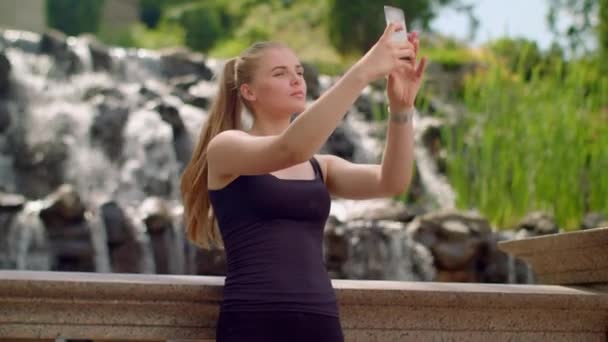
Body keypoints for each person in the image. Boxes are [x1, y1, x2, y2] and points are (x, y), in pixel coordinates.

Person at [180, 22, 426, 342]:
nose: (297, 79)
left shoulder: (320, 167)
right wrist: (363, 71)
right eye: (280, 73)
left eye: (298, 71)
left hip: (320, 320)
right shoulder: (226, 148)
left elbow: (391, 182)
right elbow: (289, 148)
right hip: (254, 321)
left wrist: (402, 109)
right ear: (248, 92)